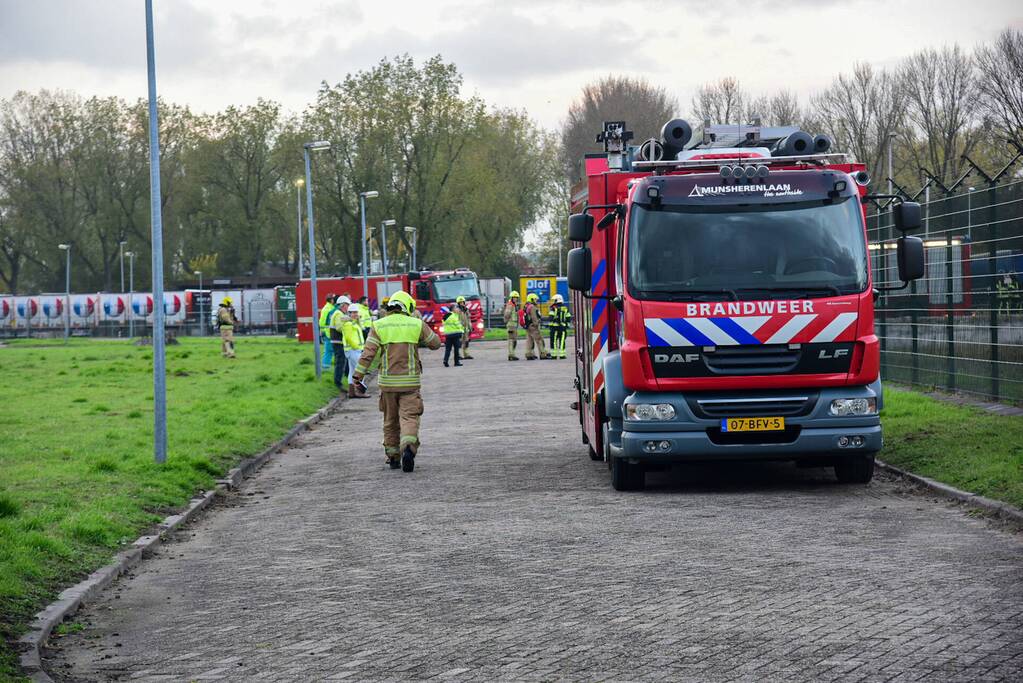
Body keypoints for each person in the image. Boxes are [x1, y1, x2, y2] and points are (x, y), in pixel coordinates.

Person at [352, 291, 441, 472]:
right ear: (407, 307)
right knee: (409, 417)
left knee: (390, 421)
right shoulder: (416, 324)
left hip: (387, 384)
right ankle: (408, 447)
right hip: (410, 383)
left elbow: (368, 354)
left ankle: (393, 457)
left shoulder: (379, 325)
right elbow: (436, 343)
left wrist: (358, 377)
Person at [335, 296, 369, 399]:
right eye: (353, 313)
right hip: (354, 350)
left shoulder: (352, 323)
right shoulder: (348, 324)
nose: (355, 314)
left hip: (353, 350)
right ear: (349, 313)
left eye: (356, 312)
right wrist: (356, 347)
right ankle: (359, 391)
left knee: (352, 371)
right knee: (359, 371)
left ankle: (352, 392)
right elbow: (349, 338)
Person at [327, 298, 350, 392]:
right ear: (343, 305)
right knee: (340, 362)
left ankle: (348, 379)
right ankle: (338, 383)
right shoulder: (338, 314)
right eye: (347, 305)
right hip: (338, 341)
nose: (348, 307)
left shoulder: (340, 313)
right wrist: (348, 326)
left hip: (339, 341)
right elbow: (339, 327)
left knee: (343, 361)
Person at [523, 293, 550, 360]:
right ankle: (542, 354)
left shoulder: (526, 306)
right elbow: (534, 317)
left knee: (529, 340)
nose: (536, 301)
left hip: (528, 326)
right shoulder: (532, 307)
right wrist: (536, 324)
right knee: (539, 339)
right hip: (533, 326)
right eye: (535, 299)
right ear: (531, 299)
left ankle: (529, 354)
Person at [318, 293, 338, 370]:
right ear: (331, 300)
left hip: (329, 332)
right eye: (333, 299)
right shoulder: (327, 309)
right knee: (328, 350)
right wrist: (322, 331)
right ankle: (325, 367)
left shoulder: (330, 307)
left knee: (329, 350)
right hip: (328, 333)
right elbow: (322, 322)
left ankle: (326, 366)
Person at [548, 294, 571, 359]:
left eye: (554, 300)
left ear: (557, 300)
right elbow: (568, 317)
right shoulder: (565, 308)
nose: (553, 302)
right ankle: (562, 355)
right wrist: (566, 325)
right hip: (563, 328)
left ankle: (554, 355)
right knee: (562, 341)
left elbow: (551, 318)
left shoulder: (553, 308)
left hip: (554, 328)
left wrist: (550, 325)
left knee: (554, 341)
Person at [502, 290, 521, 361]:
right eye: (515, 297)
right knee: (511, 340)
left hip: (514, 325)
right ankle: (511, 354)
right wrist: (506, 322)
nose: (516, 299)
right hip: (511, 325)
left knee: (514, 340)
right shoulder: (510, 305)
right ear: (512, 298)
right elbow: (507, 314)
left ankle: (512, 353)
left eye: (517, 297)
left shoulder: (514, 305)